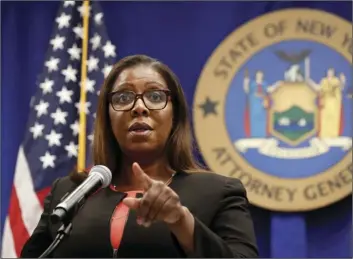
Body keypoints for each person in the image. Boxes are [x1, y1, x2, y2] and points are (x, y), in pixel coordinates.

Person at [20, 54, 259, 258]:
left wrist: (181, 222)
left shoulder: (219, 192)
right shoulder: (68, 191)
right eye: (123, 98)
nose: (139, 107)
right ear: (108, 118)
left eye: (155, 96)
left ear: (175, 115)